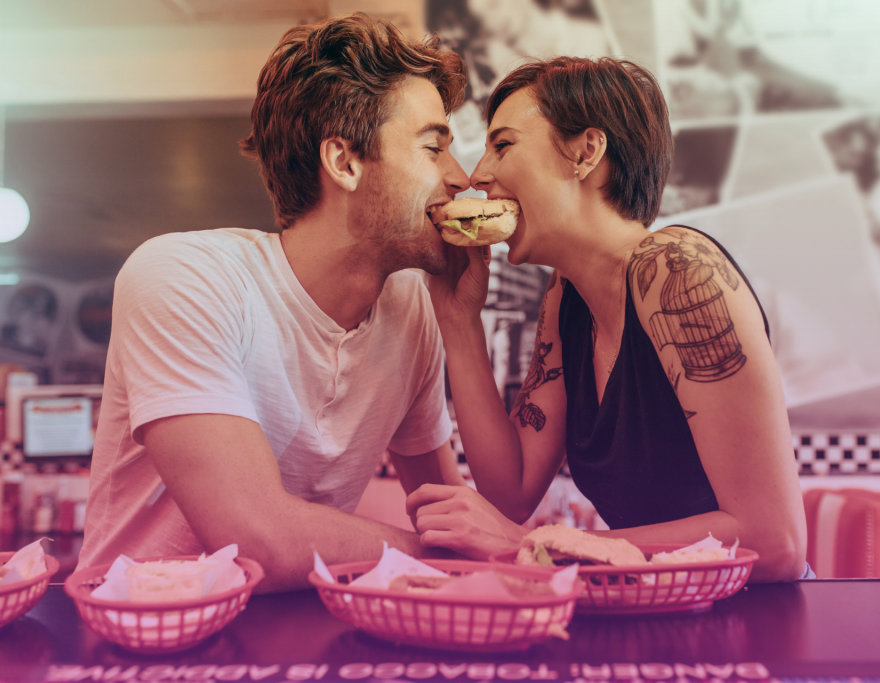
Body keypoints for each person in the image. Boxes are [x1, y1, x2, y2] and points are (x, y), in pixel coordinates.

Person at [78, 13, 472, 592]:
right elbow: (258, 538)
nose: (461, 178)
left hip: (307, 635)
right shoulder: (183, 277)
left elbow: (450, 514)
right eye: (433, 147)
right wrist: (425, 555)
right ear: (345, 162)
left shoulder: (410, 307)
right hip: (144, 649)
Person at [410, 56, 807, 581]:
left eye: (502, 145)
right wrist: (459, 324)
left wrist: (537, 545)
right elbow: (513, 491)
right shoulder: (565, 295)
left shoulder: (678, 270)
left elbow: (774, 542)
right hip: (657, 612)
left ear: (586, 152)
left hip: (753, 621)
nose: (479, 175)